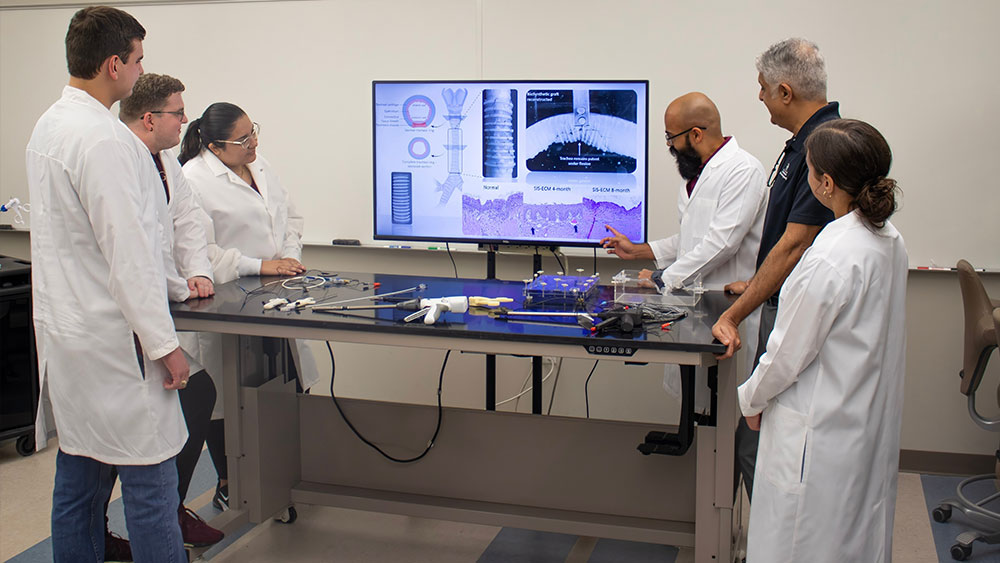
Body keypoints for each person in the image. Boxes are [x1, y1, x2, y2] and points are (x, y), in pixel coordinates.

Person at [25, 7, 187, 562]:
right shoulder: (105, 141)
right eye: (139, 60)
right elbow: (130, 255)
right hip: (116, 348)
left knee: (78, 483)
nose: (142, 72)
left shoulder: (49, 126)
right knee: (150, 491)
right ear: (114, 64)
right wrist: (166, 346)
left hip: (69, 340)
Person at [739, 118, 906, 561]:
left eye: (809, 169)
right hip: (861, 424)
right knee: (855, 537)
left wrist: (751, 401)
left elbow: (785, 354)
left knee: (801, 543)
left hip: (817, 436)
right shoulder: (889, 239)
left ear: (826, 183)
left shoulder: (829, 256)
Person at [710, 37, 840, 500]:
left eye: (763, 88)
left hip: (797, 315)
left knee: (757, 443)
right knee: (758, 439)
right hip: (782, 302)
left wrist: (734, 313)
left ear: (785, 91)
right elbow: (786, 239)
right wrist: (756, 283)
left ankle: (772, 544)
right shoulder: (805, 144)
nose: (760, 96)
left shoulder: (823, 148)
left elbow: (796, 243)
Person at [178, 102, 318, 509]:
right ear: (216, 147)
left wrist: (287, 259)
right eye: (242, 140)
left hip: (276, 294)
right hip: (228, 301)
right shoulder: (194, 180)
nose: (253, 142)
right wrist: (261, 265)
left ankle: (288, 473)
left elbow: (290, 218)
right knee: (227, 401)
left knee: (290, 379)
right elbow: (202, 252)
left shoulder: (260, 165)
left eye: (253, 132)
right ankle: (228, 483)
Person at [601, 92, 767, 412]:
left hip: (727, 304)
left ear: (695, 134)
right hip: (694, 307)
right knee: (697, 405)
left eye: (670, 137)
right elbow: (692, 238)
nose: (669, 146)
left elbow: (721, 242)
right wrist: (639, 251)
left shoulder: (743, 170)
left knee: (725, 411)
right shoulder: (696, 175)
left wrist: (662, 278)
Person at [119, 72, 225, 549]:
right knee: (111, 448)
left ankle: (172, 512)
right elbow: (135, 251)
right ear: (149, 118)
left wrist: (197, 273)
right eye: (179, 114)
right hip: (122, 321)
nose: (187, 121)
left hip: (160, 303)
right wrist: (181, 286)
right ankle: (156, 522)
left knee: (198, 394)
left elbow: (187, 223)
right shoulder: (120, 161)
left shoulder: (165, 162)